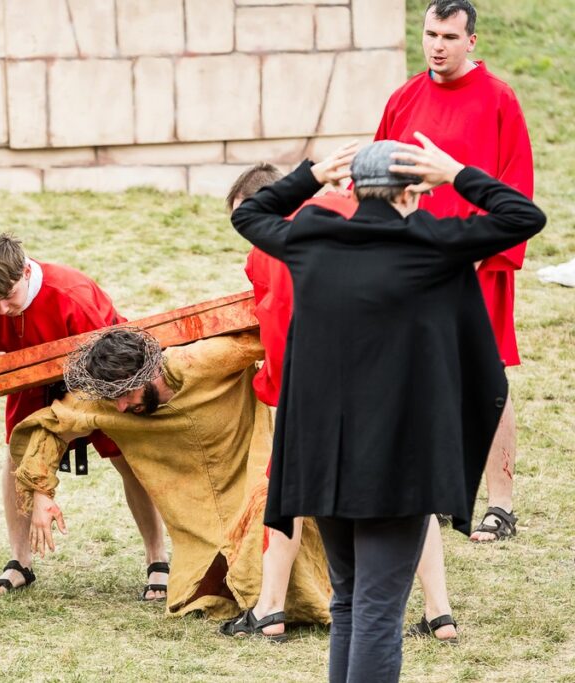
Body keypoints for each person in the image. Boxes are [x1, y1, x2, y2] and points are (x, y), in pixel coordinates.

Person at [232, 136, 545, 682]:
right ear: (414, 193)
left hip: (321, 457)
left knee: (350, 603)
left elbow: (253, 211)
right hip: (395, 463)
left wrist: (312, 174)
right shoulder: (431, 242)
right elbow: (523, 215)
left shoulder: (311, 237)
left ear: (351, 189)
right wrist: (456, 171)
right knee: (376, 610)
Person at [10, 328, 332, 625]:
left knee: (289, 584)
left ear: (149, 371)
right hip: (199, 530)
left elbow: (277, 337)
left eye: (126, 393)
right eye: (114, 397)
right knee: (194, 600)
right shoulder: (109, 401)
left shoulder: (202, 361)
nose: (121, 406)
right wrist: (41, 492)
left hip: (251, 489)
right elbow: (52, 425)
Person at [0, 233, 169, 599]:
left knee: (129, 462)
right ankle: (19, 562)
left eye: (8, 297)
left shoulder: (73, 294)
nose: (2, 310)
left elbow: (112, 353)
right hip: (32, 384)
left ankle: (157, 561)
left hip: (99, 383)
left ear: (25, 272)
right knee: (17, 460)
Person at [375, 0, 534, 544]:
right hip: (411, 268)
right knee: (418, 377)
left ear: (471, 42)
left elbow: (518, 192)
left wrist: (484, 255)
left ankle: (500, 505)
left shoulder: (499, 100)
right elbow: (379, 181)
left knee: (485, 382)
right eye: (429, 33)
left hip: (477, 267)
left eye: (448, 35)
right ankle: (437, 492)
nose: (436, 45)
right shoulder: (403, 98)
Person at [220, 163, 356, 641]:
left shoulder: (269, 249)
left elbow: (278, 324)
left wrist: (269, 386)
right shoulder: (344, 213)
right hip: (375, 379)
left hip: (312, 388)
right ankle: (440, 612)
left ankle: (271, 607)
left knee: (287, 494)